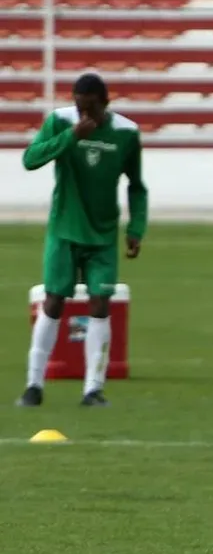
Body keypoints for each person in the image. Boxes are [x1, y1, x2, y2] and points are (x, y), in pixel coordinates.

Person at [16, 72, 147, 408]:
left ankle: (93, 389)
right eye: (78, 106)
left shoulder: (126, 133)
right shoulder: (61, 122)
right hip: (64, 230)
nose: (83, 114)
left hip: (102, 235)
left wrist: (136, 229)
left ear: (105, 104)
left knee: (101, 305)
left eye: (89, 108)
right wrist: (72, 137)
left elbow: (135, 184)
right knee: (54, 301)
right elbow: (31, 159)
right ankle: (33, 385)